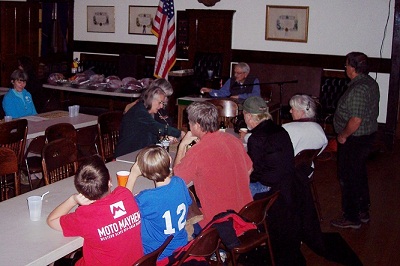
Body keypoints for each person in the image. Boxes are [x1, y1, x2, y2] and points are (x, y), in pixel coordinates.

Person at [47, 155, 144, 266]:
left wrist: (73, 200)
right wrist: (133, 175)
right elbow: (126, 192)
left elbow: (52, 220)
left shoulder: (85, 216)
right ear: (109, 182)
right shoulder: (125, 195)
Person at [243, 96, 304, 265]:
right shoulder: (280, 130)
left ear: (248, 116)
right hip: (286, 185)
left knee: (234, 190)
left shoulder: (256, 139)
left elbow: (256, 173)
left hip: (267, 188)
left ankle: (243, 235)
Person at [174, 101, 253, 227]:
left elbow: (177, 181)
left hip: (221, 223)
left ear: (198, 125)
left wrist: (182, 145)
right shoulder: (233, 140)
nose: (188, 126)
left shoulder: (197, 151)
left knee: (180, 216)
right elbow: (249, 169)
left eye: (189, 122)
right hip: (247, 214)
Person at [331, 52, 380, 229]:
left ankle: (352, 217)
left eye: (346, 65)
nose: (345, 68)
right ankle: (362, 210)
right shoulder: (369, 82)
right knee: (358, 173)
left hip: (355, 139)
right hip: (364, 137)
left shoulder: (359, 89)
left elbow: (355, 120)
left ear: (353, 68)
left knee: (348, 177)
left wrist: (343, 135)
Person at [130, 145, 192, 261]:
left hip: (157, 255)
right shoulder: (180, 182)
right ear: (170, 159)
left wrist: (133, 174)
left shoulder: (146, 198)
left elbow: (124, 207)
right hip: (181, 246)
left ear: (144, 173)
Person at [115, 86, 184, 157]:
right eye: (160, 102)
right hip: (126, 155)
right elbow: (157, 127)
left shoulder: (145, 111)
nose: (161, 106)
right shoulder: (139, 112)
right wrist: (179, 133)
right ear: (151, 100)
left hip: (139, 152)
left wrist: (163, 139)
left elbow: (150, 135)